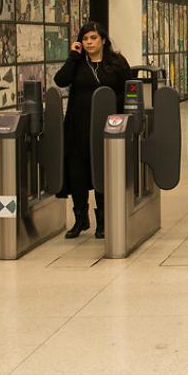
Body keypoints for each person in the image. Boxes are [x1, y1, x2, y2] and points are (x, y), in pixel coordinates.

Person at [54, 21, 132, 239]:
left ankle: (103, 221)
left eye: (93, 38)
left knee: (101, 171)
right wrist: (72, 56)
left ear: (103, 40)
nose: (89, 42)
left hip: (107, 126)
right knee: (77, 172)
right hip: (77, 127)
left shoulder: (117, 62)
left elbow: (129, 89)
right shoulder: (77, 64)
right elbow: (60, 80)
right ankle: (80, 218)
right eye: (85, 39)